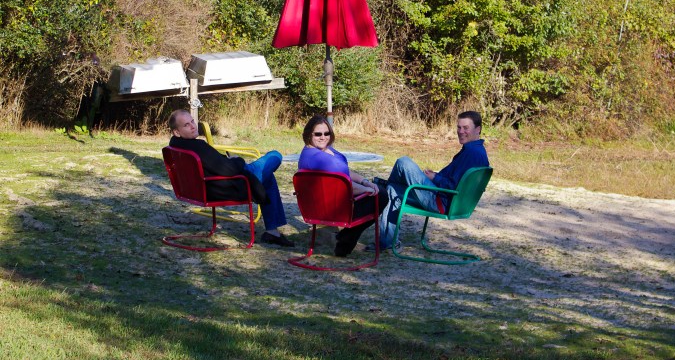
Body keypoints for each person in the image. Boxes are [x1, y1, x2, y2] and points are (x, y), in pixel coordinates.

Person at [167, 109, 294, 247]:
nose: (193, 126)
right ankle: (272, 231)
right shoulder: (197, 146)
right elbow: (228, 170)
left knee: (267, 177)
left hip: (209, 187)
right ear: (177, 132)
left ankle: (272, 232)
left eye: (192, 121)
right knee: (274, 156)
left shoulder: (175, 146)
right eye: (186, 125)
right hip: (231, 185)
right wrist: (238, 160)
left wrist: (228, 161)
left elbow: (215, 164)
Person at [375, 111, 489, 249]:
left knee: (403, 162)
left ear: (478, 129)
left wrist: (435, 177)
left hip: (440, 201)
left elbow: (454, 187)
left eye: (466, 128)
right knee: (391, 190)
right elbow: (456, 181)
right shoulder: (478, 151)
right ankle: (386, 242)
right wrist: (435, 176)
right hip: (446, 199)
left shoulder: (471, 154)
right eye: (459, 127)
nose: (460, 131)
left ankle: (385, 185)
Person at [297, 115, 388, 257]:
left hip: (324, 205)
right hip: (333, 209)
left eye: (326, 133)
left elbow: (345, 171)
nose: (323, 137)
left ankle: (343, 239)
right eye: (318, 134)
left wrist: (365, 181)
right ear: (309, 134)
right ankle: (344, 240)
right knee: (381, 196)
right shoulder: (321, 159)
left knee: (378, 192)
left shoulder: (318, 151)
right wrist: (367, 190)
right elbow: (343, 186)